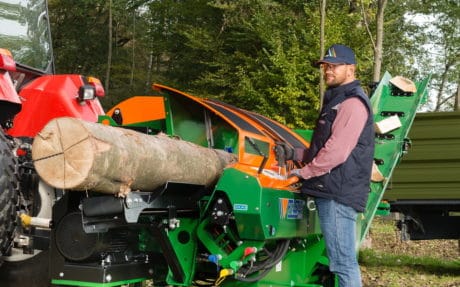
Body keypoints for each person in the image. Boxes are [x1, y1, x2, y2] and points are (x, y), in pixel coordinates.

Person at [290, 44, 374, 287]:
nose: (328, 70)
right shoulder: (337, 100)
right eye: (326, 66)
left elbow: (337, 151)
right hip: (332, 190)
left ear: (351, 69)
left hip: (337, 194)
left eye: (334, 66)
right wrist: (295, 153)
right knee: (342, 261)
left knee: (343, 263)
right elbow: (325, 146)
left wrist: (303, 172)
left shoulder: (352, 103)